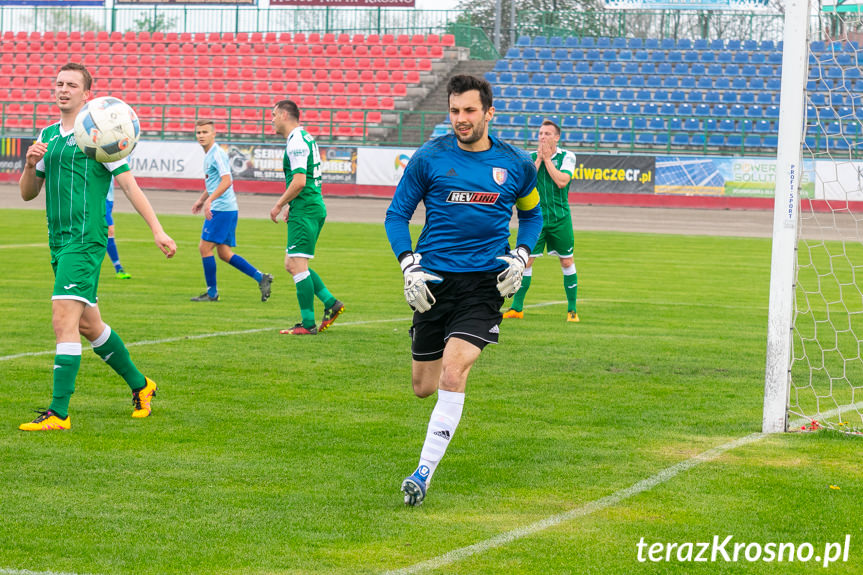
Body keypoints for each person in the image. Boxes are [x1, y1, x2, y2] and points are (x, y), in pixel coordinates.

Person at [384, 75, 543, 506]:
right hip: (433, 285)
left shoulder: (515, 163)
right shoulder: (429, 157)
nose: (461, 119)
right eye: (454, 111)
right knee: (423, 386)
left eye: (470, 111)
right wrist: (407, 263)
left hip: (483, 287)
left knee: (455, 371)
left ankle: (423, 472)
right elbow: (396, 216)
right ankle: (441, 387)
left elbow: (532, 217)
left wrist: (522, 255)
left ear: (489, 112)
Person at [18, 62, 177, 431]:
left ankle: (59, 413)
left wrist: (157, 230)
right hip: (57, 241)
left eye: (71, 85)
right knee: (90, 326)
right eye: (59, 83)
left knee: (63, 318)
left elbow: (130, 186)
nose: (63, 89)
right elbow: (28, 194)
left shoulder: (100, 134)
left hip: (86, 240)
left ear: (87, 94)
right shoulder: (47, 136)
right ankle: (142, 385)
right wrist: (29, 165)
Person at [270, 99, 344, 335]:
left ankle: (307, 324)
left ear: (283, 115)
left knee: (297, 265)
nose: (271, 120)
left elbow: (300, 180)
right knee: (291, 263)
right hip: (306, 206)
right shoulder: (304, 137)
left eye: (273, 115)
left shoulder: (297, 142)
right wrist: (292, 205)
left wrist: (279, 204)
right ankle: (331, 303)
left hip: (307, 208)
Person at [504, 120, 580, 322]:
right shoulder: (529, 158)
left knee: (566, 261)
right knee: (525, 261)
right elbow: (523, 184)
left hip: (559, 218)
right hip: (534, 219)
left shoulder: (567, 157)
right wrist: (538, 160)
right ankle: (517, 308)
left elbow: (562, 182)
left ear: (557, 137)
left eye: (547, 133)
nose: (542, 137)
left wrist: (547, 160)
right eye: (540, 133)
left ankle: (572, 310)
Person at [190, 119, 273, 302]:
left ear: (214, 134)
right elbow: (215, 182)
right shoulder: (210, 154)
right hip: (227, 208)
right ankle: (261, 278)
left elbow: (227, 181)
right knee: (224, 253)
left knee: (204, 248)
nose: (201, 136)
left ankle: (212, 294)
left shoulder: (217, 154)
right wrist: (202, 199)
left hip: (221, 209)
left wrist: (210, 200)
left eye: (205, 132)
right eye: (199, 132)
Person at [105, 178, 131, 279]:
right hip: (99, 197)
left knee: (101, 233)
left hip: (109, 198)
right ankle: (118, 268)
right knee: (109, 231)